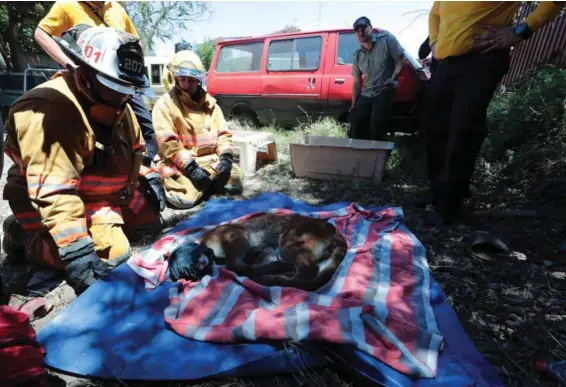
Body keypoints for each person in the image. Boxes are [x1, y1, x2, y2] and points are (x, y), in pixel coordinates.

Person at [2, 24, 166, 293]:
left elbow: (134, 151)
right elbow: (55, 191)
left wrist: (149, 177)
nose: (123, 97)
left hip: (102, 196)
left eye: (127, 89)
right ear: (87, 72)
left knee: (149, 221)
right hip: (52, 200)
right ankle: (23, 235)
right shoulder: (49, 109)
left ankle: (102, 223)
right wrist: (77, 252)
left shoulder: (118, 103)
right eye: (115, 88)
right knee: (112, 254)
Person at [422, 1, 565, 223]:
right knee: (435, 126)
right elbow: (435, 13)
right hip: (446, 63)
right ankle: (436, 194)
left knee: (464, 128)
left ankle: (450, 203)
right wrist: (434, 42)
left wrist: (521, 31)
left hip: (482, 59)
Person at [34, 1, 159, 161]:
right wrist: (70, 64)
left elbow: (135, 41)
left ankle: (146, 164)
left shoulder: (116, 8)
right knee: (89, 128)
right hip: (92, 83)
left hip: (121, 82)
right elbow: (42, 33)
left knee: (144, 124)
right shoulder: (67, 5)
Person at [152, 50, 243, 209]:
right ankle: (201, 188)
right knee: (183, 199)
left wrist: (226, 159)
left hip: (211, 162)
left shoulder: (211, 104)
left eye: (192, 80)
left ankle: (208, 187)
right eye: (182, 79)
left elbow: (223, 135)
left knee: (235, 182)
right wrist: (192, 169)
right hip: (183, 165)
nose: (187, 85)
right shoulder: (165, 105)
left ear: (199, 80)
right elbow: (169, 144)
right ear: (175, 79)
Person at [348, 16, 406, 141]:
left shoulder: (386, 40)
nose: (360, 32)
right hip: (367, 92)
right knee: (355, 120)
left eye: (363, 28)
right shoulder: (357, 56)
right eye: (356, 30)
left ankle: (377, 155)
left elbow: (400, 60)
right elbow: (357, 82)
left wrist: (393, 78)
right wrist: (353, 105)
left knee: (376, 125)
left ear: (371, 28)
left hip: (384, 90)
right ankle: (357, 154)